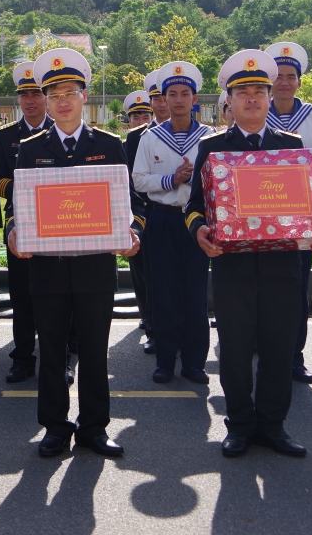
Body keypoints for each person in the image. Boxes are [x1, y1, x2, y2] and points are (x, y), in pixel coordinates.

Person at [186, 49, 312, 458]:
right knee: (236, 347)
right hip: (233, 265)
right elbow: (194, 205)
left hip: (284, 264)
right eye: (242, 91)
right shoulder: (213, 148)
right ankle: (240, 424)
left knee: (280, 348)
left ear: (269, 97)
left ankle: (273, 425)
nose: (252, 98)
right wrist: (200, 229)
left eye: (259, 91)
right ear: (228, 100)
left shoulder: (292, 146)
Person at [6, 48, 143, 459]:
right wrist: (14, 232)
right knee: (50, 350)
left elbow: (130, 204)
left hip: (94, 269)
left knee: (95, 352)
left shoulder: (109, 144)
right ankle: (54, 427)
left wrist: (133, 233)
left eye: (70, 92)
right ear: (45, 101)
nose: (62, 101)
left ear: (85, 96)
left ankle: (94, 428)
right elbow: (17, 207)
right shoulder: (30, 149)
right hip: (47, 270)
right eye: (54, 94)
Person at [131, 61, 212, 384]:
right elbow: (138, 180)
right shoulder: (151, 137)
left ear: (195, 100)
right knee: (162, 292)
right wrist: (170, 179)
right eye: (171, 94)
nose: (177, 100)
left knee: (195, 293)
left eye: (185, 94)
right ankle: (165, 361)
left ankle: (194, 363)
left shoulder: (210, 138)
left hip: (197, 223)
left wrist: (191, 181)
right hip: (161, 220)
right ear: (162, 99)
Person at [265, 41, 312, 384]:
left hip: (299, 217)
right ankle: (263, 350)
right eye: (277, 76)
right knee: (260, 285)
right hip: (259, 216)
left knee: (297, 287)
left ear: (299, 81)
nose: (283, 82)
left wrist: (299, 166)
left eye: (290, 76)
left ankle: (295, 355)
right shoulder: (255, 111)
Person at [0, 60, 53, 383]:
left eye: (36, 94)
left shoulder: (60, 130)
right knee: (22, 292)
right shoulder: (5, 137)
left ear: (46, 97)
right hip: (21, 224)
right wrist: (26, 190)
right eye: (24, 94)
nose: (29, 100)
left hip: (59, 226)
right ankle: (23, 355)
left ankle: (63, 355)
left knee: (59, 293)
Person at [125, 77, 167, 354]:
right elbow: (128, 178)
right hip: (144, 211)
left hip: (173, 213)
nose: (162, 103)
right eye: (158, 99)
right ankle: (151, 323)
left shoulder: (193, 133)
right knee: (145, 273)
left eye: (165, 98)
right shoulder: (134, 138)